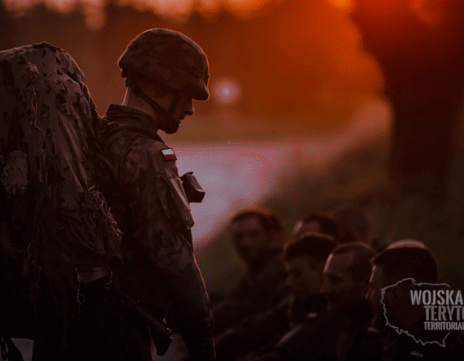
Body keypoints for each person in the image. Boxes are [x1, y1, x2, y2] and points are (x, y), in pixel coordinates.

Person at [97, 28, 215, 360]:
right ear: (158, 86)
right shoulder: (148, 156)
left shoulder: (91, 140)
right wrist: (203, 344)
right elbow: (177, 266)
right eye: (185, 95)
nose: (190, 109)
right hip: (114, 338)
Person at [215, 233, 337, 361]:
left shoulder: (328, 315)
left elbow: (283, 354)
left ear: (324, 270)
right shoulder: (297, 308)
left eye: (296, 274)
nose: (288, 282)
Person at [367, 240, 464, 361]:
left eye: (373, 289)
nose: (368, 297)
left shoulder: (438, 353)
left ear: (395, 294)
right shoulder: (406, 340)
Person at [212, 205, 288, 334]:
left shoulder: (285, 271)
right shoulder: (250, 277)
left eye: (254, 234)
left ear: (269, 235)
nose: (246, 242)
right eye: (239, 237)